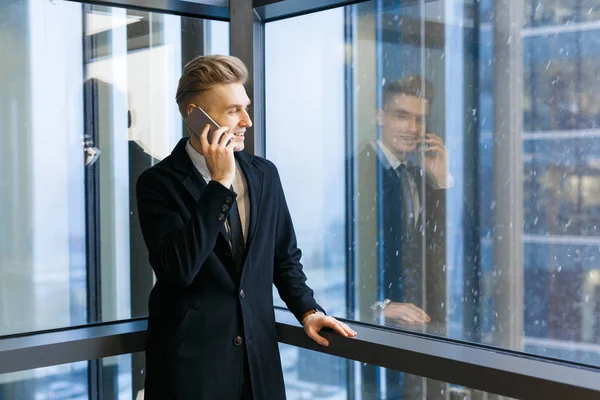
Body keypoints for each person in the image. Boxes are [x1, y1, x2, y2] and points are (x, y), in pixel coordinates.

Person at [136, 55, 356, 400]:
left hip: (258, 362)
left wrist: (308, 311)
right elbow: (179, 270)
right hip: (191, 368)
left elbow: (283, 257)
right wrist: (219, 184)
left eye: (246, 108)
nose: (247, 121)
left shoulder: (264, 174)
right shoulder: (157, 183)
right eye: (233, 110)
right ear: (194, 114)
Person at [355, 76, 451, 398]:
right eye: (401, 115)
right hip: (376, 336)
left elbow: (443, 245)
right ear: (379, 116)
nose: (412, 127)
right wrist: (378, 304)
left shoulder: (419, 174)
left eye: (420, 119)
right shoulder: (359, 172)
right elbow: (348, 260)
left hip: (421, 328)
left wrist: (441, 182)